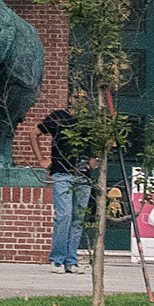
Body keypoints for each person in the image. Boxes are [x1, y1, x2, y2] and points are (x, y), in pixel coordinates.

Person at [36, 96, 92, 272]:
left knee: (78, 219)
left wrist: (94, 160)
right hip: (62, 174)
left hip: (83, 176)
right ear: (70, 99)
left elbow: (97, 146)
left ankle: (71, 261)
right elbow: (34, 133)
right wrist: (41, 159)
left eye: (85, 98)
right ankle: (57, 260)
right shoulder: (58, 116)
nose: (81, 101)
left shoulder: (88, 122)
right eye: (78, 97)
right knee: (64, 215)